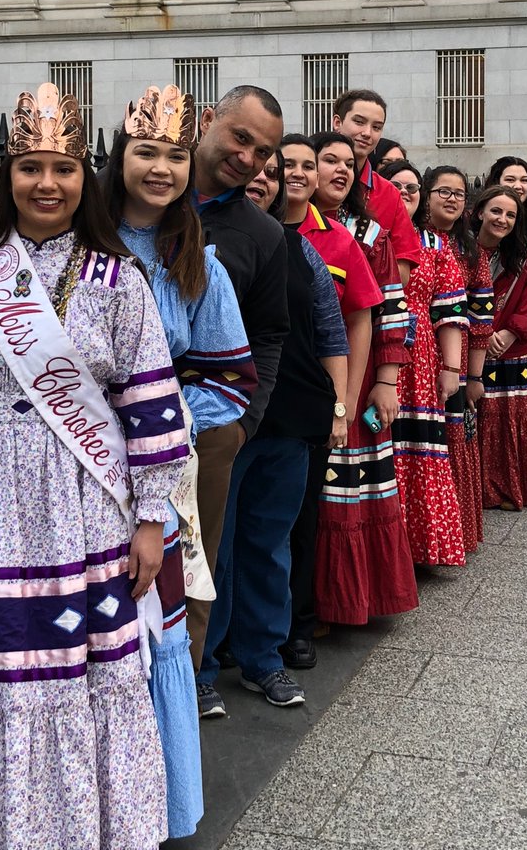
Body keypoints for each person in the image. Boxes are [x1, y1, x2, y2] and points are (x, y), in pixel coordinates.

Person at [0, 84, 190, 849]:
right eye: (30, 167)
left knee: (82, 677)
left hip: (86, 506)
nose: (47, 184)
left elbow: (152, 409)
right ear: (9, 178)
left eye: (61, 167)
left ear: (80, 177)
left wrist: (152, 521)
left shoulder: (116, 279)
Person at [104, 85, 258, 830]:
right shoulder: (77, 244)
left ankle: (153, 803)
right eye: (145, 153)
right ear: (119, 157)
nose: (160, 168)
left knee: (155, 623)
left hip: (154, 478)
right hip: (68, 473)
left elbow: (233, 383)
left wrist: (156, 424)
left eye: (172, 154)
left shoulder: (200, 264)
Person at [196, 150, 350, 713]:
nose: (262, 180)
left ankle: (265, 658)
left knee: (269, 542)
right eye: (254, 172)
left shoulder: (296, 247)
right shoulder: (195, 236)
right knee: (214, 547)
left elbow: (332, 330)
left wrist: (339, 407)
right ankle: (202, 664)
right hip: (222, 420)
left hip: (288, 419)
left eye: (273, 174)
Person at [186, 85, 290, 668]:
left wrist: (241, 426)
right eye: (241, 138)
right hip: (101, 418)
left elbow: (271, 334)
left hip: (207, 430)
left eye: (263, 152)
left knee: (190, 571)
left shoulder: (263, 234)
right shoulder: (130, 199)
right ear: (208, 120)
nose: (248, 159)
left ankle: (179, 695)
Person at [278, 134, 382, 669]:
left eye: (305, 166)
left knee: (302, 517)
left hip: (313, 397)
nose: (298, 175)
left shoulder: (338, 242)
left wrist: (343, 402)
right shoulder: (254, 226)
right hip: (254, 397)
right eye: (287, 165)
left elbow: (359, 319)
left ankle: (297, 622)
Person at [310, 131, 418, 624]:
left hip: (356, 374)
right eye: (326, 160)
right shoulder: (280, 222)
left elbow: (392, 310)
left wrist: (386, 381)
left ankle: (347, 602)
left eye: (347, 165)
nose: (338, 170)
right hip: (296, 376)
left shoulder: (371, 234)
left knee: (347, 491)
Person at [382, 161, 469, 566]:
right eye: (395, 185)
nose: (404, 192)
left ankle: (419, 547)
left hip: (419, 360)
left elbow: (450, 313)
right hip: (374, 347)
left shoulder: (435, 246)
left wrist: (451, 370)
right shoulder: (371, 234)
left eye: (412, 186)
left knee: (418, 450)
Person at [420, 166, 494, 554]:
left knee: (453, 443)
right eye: (442, 191)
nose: (451, 199)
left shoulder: (469, 250)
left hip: (456, 358)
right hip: (413, 357)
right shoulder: (408, 239)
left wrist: (475, 375)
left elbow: (482, 316)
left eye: (459, 194)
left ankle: (453, 535)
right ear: (425, 194)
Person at [473, 184, 527, 511]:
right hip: (469, 344)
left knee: (509, 416)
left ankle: (507, 486)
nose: (503, 218)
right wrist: (483, 332)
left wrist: (511, 332)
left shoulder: (523, 250)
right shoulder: (461, 247)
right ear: (479, 211)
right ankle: (477, 488)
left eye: (510, 214)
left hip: (512, 344)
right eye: (496, 211)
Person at [331, 89, 421, 285]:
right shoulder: (314, 180)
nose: (367, 133)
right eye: (359, 122)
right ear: (337, 122)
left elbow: (402, 273)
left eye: (377, 127)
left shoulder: (388, 193)